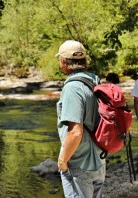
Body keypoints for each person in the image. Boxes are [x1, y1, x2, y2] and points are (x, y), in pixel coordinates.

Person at [56, 40, 106, 198]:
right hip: (99, 158)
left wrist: (63, 161)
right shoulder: (94, 80)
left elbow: (75, 132)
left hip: (80, 162)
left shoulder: (72, 88)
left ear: (63, 61)